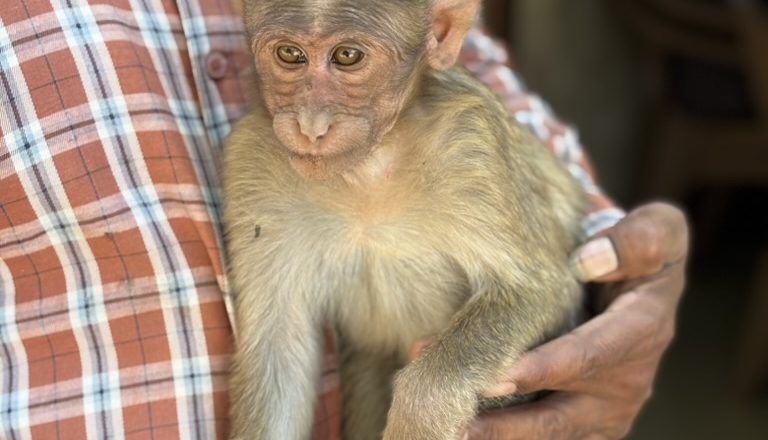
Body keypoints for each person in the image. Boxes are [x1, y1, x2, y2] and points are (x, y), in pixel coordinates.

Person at [0, 1, 688, 439]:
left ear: (441, 35)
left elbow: (543, 274)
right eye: (289, 58)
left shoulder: (459, 133)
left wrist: (616, 244)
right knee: (364, 366)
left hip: (484, 367)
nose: (310, 115)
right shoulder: (256, 159)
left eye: (349, 60)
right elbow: (275, 351)